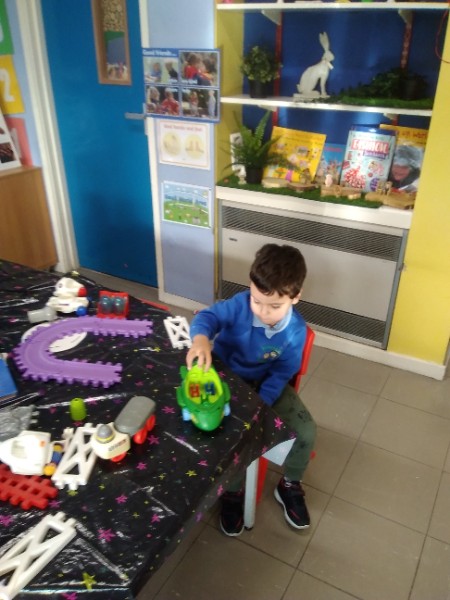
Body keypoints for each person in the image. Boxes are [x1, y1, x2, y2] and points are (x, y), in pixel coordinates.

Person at [186, 244, 316, 536]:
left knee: (307, 431)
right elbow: (207, 318)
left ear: (296, 296)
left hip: (267, 386)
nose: (263, 312)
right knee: (231, 433)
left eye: (275, 306)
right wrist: (201, 339)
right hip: (227, 379)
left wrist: (261, 402)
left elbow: (281, 372)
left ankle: (290, 484)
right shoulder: (239, 304)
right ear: (250, 287)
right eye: (258, 301)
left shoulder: (295, 331)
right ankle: (233, 492)